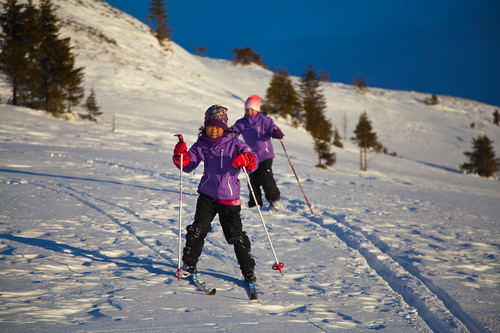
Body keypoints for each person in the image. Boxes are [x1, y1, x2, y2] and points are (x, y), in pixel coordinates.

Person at [172, 105, 259, 283]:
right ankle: (189, 263)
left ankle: (248, 269)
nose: (213, 130)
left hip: (229, 199)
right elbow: (188, 165)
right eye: (210, 126)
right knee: (198, 229)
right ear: (205, 126)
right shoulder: (202, 144)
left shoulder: (235, 144)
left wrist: (246, 159)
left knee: (235, 236)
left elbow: (253, 160)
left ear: (224, 127)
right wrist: (180, 155)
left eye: (217, 126)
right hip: (207, 196)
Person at [232, 95, 284, 211]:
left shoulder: (265, 120)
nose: (249, 111)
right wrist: (228, 135)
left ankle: (275, 201)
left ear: (257, 109)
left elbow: (273, 130)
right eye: (247, 109)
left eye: (252, 109)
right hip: (251, 156)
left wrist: (276, 133)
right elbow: (233, 132)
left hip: (265, 154)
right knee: (253, 180)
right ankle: (255, 202)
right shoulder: (242, 123)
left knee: (266, 178)